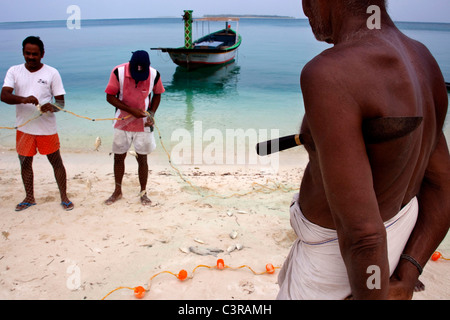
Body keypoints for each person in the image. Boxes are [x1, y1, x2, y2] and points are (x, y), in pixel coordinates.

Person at [277, 0, 450, 300]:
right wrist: (407, 274)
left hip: (336, 272)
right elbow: (442, 185)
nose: (305, 9)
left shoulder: (329, 74)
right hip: (385, 258)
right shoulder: (422, 59)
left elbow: (363, 235)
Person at [1, 36, 74, 212]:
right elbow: (4, 95)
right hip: (24, 128)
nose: (31, 57)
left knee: (56, 162)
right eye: (27, 53)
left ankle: (64, 197)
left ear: (42, 54)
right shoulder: (14, 71)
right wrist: (24, 99)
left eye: (35, 54)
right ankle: (29, 198)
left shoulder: (52, 73)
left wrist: (53, 107)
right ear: (23, 53)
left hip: (47, 129)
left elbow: (61, 104)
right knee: (25, 163)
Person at [104, 50, 165, 206]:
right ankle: (117, 191)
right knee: (119, 157)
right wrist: (131, 110)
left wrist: (151, 113)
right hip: (121, 122)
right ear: (130, 65)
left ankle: (143, 192)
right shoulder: (118, 72)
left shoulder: (154, 75)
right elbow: (109, 96)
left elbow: (158, 94)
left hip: (143, 123)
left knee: (142, 158)